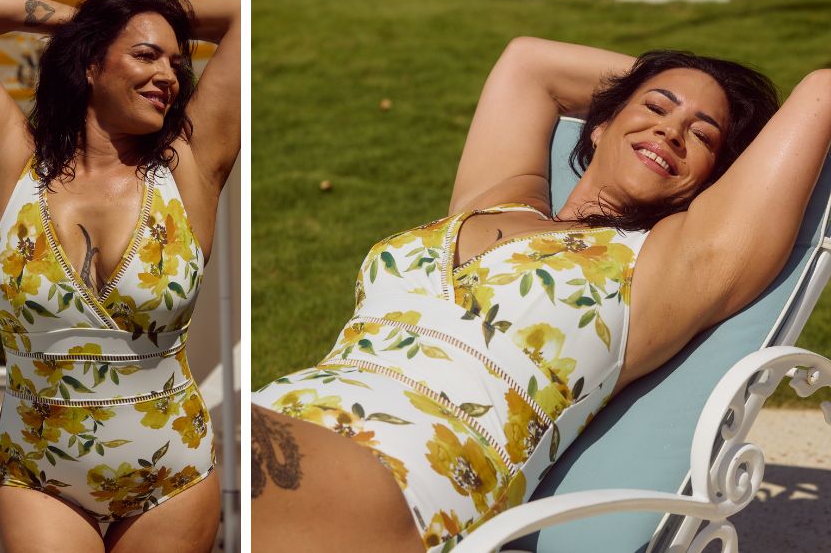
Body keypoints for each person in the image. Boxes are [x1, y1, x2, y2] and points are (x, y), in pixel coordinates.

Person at [251, 36, 831, 552]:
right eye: (654, 108)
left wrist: (692, 106)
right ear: (600, 123)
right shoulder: (497, 199)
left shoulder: (666, 268)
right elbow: (529, 62)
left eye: (702, 136)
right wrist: (655, 78)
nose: (670, 130)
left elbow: (822, 93)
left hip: (407, 479)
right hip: (282, 414)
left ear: (709, 182)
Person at [0, 0, 239, 553]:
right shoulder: (10, 166)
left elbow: (245, 12)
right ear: (89, 64)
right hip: (41, 480)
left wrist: (120, 20)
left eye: (177, 63)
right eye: (146, 55)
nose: (171, 77)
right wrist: (88, 21)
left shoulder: (189, 168)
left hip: (172, 478)